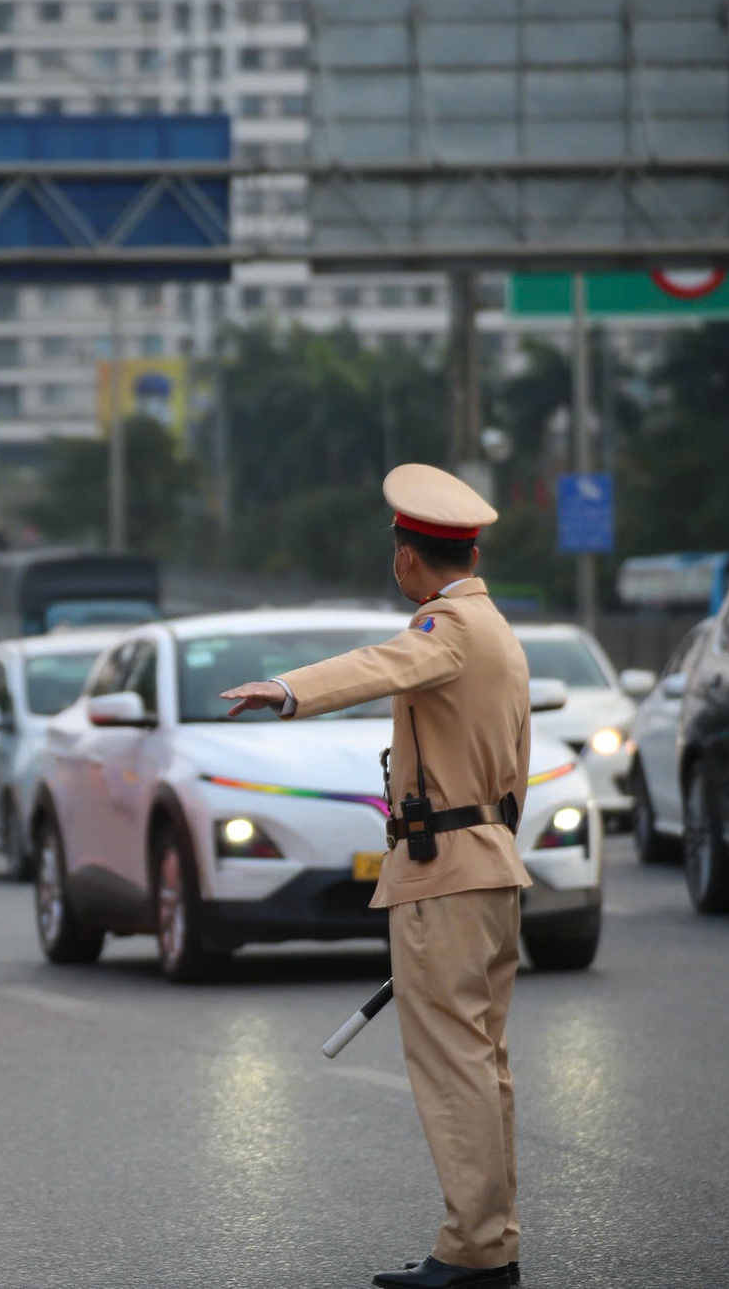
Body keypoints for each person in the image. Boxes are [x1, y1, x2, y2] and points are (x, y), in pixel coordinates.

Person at [220, 464, 532, 1289]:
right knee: (483, 1060)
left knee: (453, 1063)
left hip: (447, 874)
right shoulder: (499, 627)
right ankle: (489, 1241)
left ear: (407, 558)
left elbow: (377, 665)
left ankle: (473, 1250)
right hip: (492, 864)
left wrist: (285, 689)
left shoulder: (447, 627)